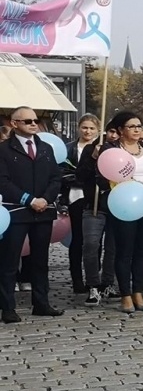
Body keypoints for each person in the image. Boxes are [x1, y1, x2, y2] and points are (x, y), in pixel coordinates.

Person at [97, 111, 143, 316]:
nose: (137, 129)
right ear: (120, 130)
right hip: (124, 204)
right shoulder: (110, 149)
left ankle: (138, 291)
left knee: (141, 249)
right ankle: (125, 294)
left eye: (139, 126)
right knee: (124, 250)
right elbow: (100, 177)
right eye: (132, 126)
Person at [0, 107, 65, 321]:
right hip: (17, 212)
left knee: (40, 260)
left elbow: (56, 177)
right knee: (9, 261)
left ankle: (41, 302)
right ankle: (8, 307)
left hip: (43, 212)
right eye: (27, 121)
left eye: (35, 120)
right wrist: (29, 199)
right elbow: (3, 181)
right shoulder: (4, 150)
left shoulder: (45, 148)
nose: (33, 124)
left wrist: (46, 199)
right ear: (14, 123)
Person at [64, 114, 107, 300]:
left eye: (91, 128)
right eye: (84, 127)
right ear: (79, 128)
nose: (87, 131)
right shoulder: (70, 149)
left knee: (94, 239)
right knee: (78, 238)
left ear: (97, 130)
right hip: (76, 196)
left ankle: (94, 276)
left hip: (94, 197)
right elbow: (63, 172)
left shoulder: (102, 148)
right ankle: (76, 279)